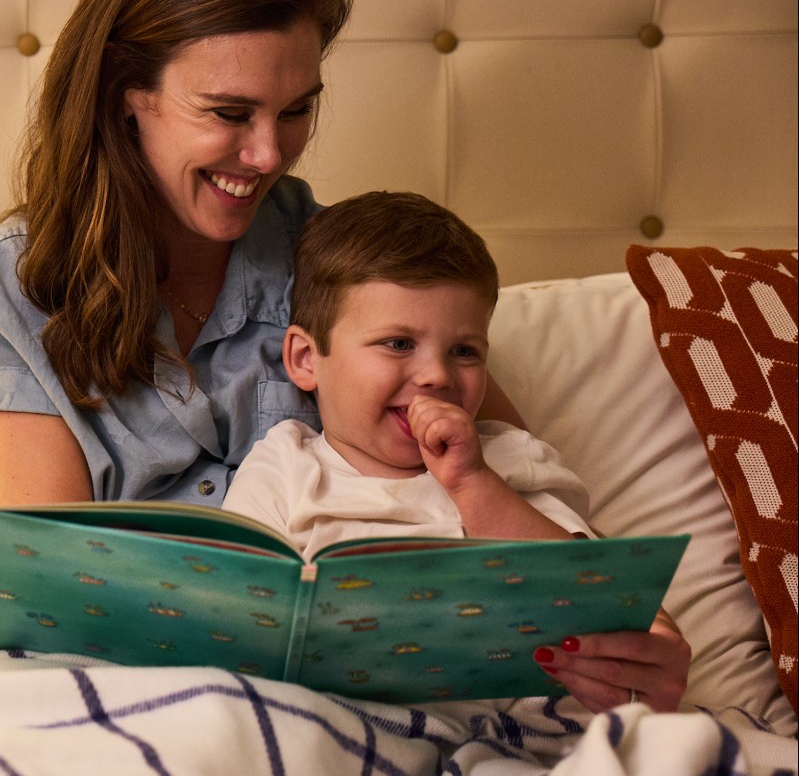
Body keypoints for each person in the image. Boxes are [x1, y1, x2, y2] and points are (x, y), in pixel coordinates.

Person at [0, 0, 520, 510]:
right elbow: (44, 572)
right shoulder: (19, 282)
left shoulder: (343, 261)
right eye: (229, 113)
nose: (270, 155)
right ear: (124, 89)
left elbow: (506, 469)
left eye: (296, 111)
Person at [221, 191, 691, 712]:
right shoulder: (285, 464)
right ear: (306, 358)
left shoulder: (504, 458)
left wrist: (471, 483)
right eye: (398, 343)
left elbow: (581, 584)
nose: (438, 376)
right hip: (347, 720)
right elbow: (238, 607)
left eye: (464, 351)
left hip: (522, 725)